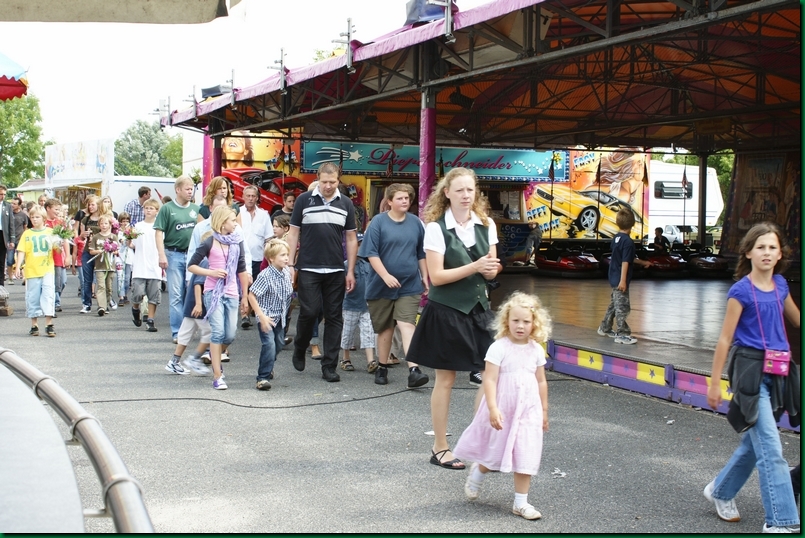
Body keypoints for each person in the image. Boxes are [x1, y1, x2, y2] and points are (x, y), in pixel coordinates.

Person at [704, 222, 800, 534]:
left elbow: (796, 319)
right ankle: (780, 521)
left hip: (779, 373)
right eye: (760, 247)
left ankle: (720, 490)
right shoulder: (740, 291)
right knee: (771, 447)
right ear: (748, 252)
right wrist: (714, 382)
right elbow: (724, 339)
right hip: (749, 373)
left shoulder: (781, 285)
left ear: (780, 253)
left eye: (773, 247)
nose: (767, 253)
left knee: (754, 441)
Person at [407, 167, 501, 470]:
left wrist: (492, 270)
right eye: (459, 190)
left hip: (479, 310)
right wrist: (476, 267)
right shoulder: (436, 228)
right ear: (446, 193)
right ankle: (440, 447)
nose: (465, 195)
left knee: (491, 377)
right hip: (446, 310)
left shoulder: (486, 224)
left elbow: (491, 268)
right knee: (445, 379)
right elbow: (436, 277)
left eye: (470, 190)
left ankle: (479, 444)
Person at [454, 292, 551, 520]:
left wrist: (544, 411)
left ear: (535, 323)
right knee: (495, 453)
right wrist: (492, 408)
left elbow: (541, 381)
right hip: (504, 408)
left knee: (526, 453)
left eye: (526, 321)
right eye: (515, 320)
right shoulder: (499, 347)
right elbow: (489, 379)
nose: (520, 326)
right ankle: (479, 471)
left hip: (528, 410)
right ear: (507, 321)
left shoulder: (536, 349)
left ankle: (521, 503)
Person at [286, 162, 358, 384]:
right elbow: (293, 233)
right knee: (309, 312)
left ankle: (329, 366)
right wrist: (290, 264)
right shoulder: (303, 200)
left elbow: (351, 238)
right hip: (308, 267)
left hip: (335, 268)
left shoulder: (346, 203)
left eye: (332, 182)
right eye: (324, 182)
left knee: (334, 317)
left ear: (338, 180)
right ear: (317, 179)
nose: (328, 186)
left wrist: (351, 270)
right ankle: (300, 346)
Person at [359, 183, 429, 388]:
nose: (405, 201)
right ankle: (382, 366)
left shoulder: (416, 223)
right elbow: (371, 253)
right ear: (389, 201)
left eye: (407, 198)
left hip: (409, 284)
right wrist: (385, 276)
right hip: (381, 285)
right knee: (386, 328)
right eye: (400, 198)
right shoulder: (378, 222)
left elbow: (421, 253)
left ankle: (414, 370)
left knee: (407, 323)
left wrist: (425, 276)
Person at [187, 207, 250, 390]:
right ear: (223, 222)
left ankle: (215, 360)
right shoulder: (209, 241)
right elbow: (191, 265)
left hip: (231, 292)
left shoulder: (237, 242)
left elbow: (242, 270)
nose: (236, 223)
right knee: (217, 332)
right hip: (212, 292)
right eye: (233, 220)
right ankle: (217, 375)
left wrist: (245, 296)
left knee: (229, 334)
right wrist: (211, 272)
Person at [596, 208, 652, 345]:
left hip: (613, 274)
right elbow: (625, 261)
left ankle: (605, 327)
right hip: (620, 278)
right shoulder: (628, 242)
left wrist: (643, 262)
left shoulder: (617, 238)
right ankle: (622, 334)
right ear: (632, 224)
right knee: (622, 307)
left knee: (614, 304)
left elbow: (627, 257)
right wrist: (623, 280)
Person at [155, 176, 200, 342]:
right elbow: (158, 232)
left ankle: (190, 329)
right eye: (187, 189)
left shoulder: (196, 209)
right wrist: (161, 254)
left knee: (191, 294)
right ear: (178, 190)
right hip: (174, 254)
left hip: (193, 256)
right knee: (176, 295)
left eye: (192, 189)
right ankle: (177, 332)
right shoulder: (167, 209)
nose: (190, 192)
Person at [248, 238, 294, 390]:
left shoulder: (286, 272)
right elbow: (251, 295)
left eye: (287, 254)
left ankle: (268, 364)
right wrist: (261, 316)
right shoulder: (265, 275)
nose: (286, 258)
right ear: (271, 258)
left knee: (279, 344)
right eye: (282, 255)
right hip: (267, 317)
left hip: (280, 317)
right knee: (269, 344)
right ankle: (262, 378)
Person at [15, 206, 59, 336]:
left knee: (48, 295)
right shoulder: (27, 234)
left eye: (37, 217)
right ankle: (34, 324)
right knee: (33, 297)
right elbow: (22, 251)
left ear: (44, 218)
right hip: (32, 270)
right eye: (32, 217)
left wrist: (60, 245)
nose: (34, 219)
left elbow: (57, 249)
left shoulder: (50, 232)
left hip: (47, 269)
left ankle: (49, 323)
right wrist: (18, 266)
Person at [166, 258, 212, 377]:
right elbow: (198, 284)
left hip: (192, 303)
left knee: (185, 333)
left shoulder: (205, 261)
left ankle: (174, 361)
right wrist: (199, 304)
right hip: (199, 304)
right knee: (210, 332)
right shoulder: (208, 262)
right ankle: (195, 358)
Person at [340, 234, 377, 373]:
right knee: (348, 332)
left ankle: (370, 361)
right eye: (358, 245)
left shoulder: (369, 265)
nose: (360, 248)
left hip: (366, 305)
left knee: (368, 332)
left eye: (362, 245)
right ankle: (345, 358)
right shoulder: (345, 265)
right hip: (350, 304)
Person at [239, 185, 273, 329]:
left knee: (255, 288)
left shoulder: (264, 215)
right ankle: (244, 316)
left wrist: (269, 256)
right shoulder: (238, 213)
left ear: (257, 198)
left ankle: (251, 311)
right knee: (244, 287)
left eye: (253, 196)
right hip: (241, 257)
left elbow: (268, 237)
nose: (251, 199)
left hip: (258, 257)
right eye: (248, 196)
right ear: (243, 197)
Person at [129, 199, 162, 332]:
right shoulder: (138, 226)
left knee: (154, 295)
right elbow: (133, 244)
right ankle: (135, 309)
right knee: (138, 293)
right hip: (140, 265)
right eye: (146, 208)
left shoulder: (160, 226)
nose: (148, 210)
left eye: (151, 208)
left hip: (154, 265)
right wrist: (127, 240)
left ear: (156, 211)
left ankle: (150, 320)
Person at [77, 195, 107, 313]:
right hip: (88, 250)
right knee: (87, 279)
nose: (90, 207)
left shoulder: (104, 219)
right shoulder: (86, 219)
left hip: (101, 251)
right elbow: (81, 237)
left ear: (99, 205)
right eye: (89, 204)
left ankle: (103, 304)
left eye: (93, 204)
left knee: (102, 279)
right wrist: (82, 235)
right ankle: (86, 303)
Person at [88, 214, 118, 316]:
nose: (104, 225)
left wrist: (111, 250)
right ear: (99, 225)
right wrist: (99, 251)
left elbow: (117, 251)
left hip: (110, 266)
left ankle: (106, 303)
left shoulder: (113, 237)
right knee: (101, 286)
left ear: (110, 225)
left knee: (109, 287)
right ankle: (101, 307)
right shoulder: (96, 237)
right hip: (99, 266)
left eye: (106, 223)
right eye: (101, 223)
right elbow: (91, 251)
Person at [44, 198, 70, 313]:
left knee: (62, 281)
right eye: (56, 209)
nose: (58, 212)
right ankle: (55, 303)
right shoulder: (43, 222)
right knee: (53, 281)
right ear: (48, 208)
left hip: (59, 256)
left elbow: (65, 240)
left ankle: (56, 298)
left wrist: (68, 256)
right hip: (48, 256)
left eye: (59, 210)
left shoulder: (60, 223)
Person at [6, 197, 29, 284]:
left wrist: (25, 238)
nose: (12, 205)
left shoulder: (23, 215)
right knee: (10, 260)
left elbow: (25, 227)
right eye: (11, 203)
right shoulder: (8, 214)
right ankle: (10, 278)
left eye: (14, 204)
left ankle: (24, 278)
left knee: (22, 259)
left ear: (19, 205)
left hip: (20, 240)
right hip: (10, 240)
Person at [0, 184, 18, 286]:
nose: (2, 196)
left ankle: (1, 284)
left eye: (4, 194)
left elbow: (11, 224)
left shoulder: (7, 206)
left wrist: (12, 240)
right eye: (0, 194)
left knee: (1, 261)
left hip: (3, 235)